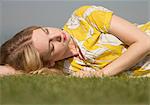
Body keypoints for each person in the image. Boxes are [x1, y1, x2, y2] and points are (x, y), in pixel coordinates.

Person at [0, 5, 150, 77]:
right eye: (51, 46)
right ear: (49, 62)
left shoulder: (84, 17)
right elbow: (14, 71)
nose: (56, 36)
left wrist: (101, 74)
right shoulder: (62, 68)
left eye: (46, 31)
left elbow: (144, 42)